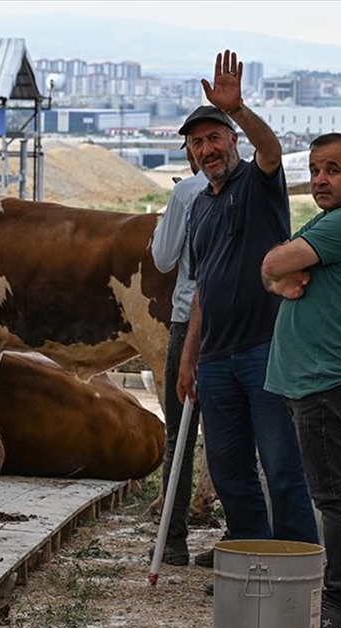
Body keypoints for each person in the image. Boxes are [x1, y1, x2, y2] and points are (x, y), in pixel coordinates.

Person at [175, 51, 319, 566]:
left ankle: (297, 564)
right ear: (191, 157)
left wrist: (236, 107)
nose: (207, 149)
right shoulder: (199, 208)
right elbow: (202, 289)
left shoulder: (258, 184)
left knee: (281, 466)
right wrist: (189, 358)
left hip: (265, 350)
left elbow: (272, 149)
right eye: (198, 143)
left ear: (233, 141)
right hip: (215, 360)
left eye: (215, 137)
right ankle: (249, 559)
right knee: (229, 470)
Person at [262, 132, 341, 628]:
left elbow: (272, 263)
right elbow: (278, 270)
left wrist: (277, 275)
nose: (320, 179)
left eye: (333, 170)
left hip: (327, 380)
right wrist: (278, 277)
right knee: (334, 494)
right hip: (317, 379)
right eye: (315, 170)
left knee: (334, 497)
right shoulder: (336, 219)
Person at [149, 147, 209, 565]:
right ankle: (241, 537)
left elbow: (163, 256)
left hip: (188, 319)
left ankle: (172, 540)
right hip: (239, 324)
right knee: (235, 433)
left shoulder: (187, 191)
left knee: (179, 433)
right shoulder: (252, 186)